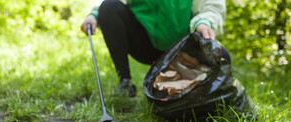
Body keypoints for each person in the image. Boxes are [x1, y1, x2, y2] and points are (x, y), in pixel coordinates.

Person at [81, 0, 230, 97]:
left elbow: (212, 6)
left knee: (223, 57)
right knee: (109, 7)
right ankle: (125, 82)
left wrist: (204, 22)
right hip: (145, 43)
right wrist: (95, 14)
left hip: (182, 49)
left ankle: (190, 83)